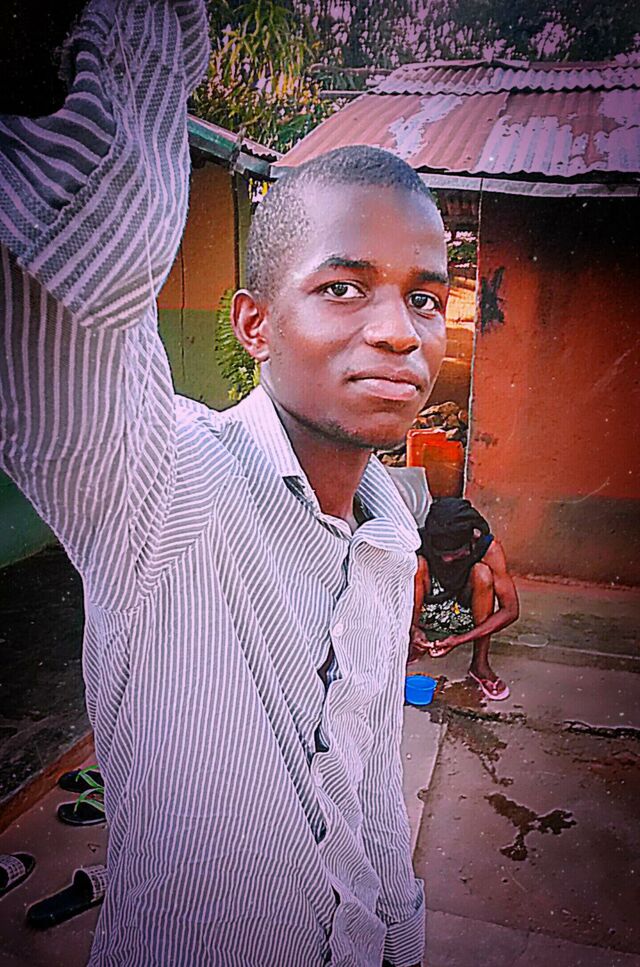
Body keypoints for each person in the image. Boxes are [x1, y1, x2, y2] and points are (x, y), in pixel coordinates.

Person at [0, 3, 450, 964]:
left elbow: (374, 791)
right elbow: (72, 293)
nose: (400, 332)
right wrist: (136, 34)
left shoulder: (392, 537)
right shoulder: (159, 483)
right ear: (253, 325)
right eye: (342, 287)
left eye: (425, 296)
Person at [409, 498, 519, 700]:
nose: (446, 559)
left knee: (482, 573)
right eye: (441, 553)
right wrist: (411, 628)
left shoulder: (489, 548)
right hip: (427, 614)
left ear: (471, 539)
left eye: (454, 553)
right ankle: (413, 643)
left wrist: (459, 640)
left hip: (466, 620)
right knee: (415, 564)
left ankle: (480, 664)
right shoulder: (421, 539)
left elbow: (511, 610)